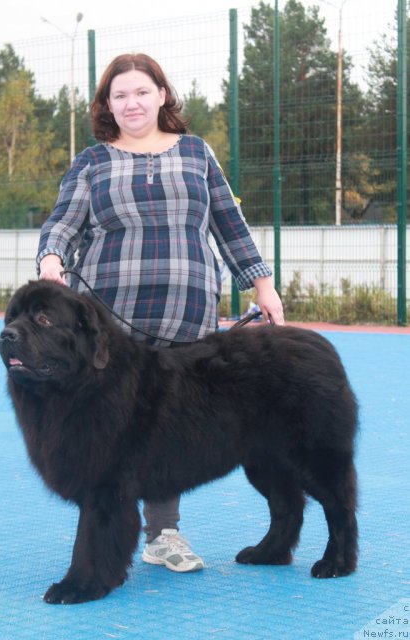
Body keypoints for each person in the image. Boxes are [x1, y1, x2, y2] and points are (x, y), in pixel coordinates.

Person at [36, 52, 284, 574]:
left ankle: (164, 533)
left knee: (169, 423)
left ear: (162, 95)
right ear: (107, 104)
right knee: (113, 427)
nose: (132, 102)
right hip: (110, 319)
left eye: (141, 92)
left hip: (189, 310)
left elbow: (229, 225)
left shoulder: (196, 154)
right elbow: (62, 222)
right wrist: (51, 259)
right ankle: (109, 535)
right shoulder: (92, 162)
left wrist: (262, 284)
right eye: (119, 94)